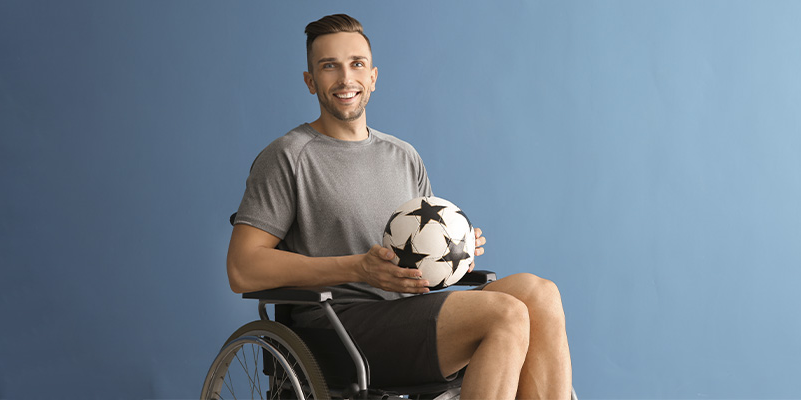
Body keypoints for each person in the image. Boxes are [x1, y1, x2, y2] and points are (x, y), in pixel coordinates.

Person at [226, 14, 571, 399]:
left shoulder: (403, 155)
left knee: (541, 294)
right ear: (310, 81)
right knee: (505, 314)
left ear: (373, 76)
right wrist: (358, 267)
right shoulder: (288, 157)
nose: (345, 79)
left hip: (410, 314)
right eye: (329, 66)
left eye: (356, 64)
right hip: (338, 327)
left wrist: (454, 255)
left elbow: (417, 257)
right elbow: (242, 269)